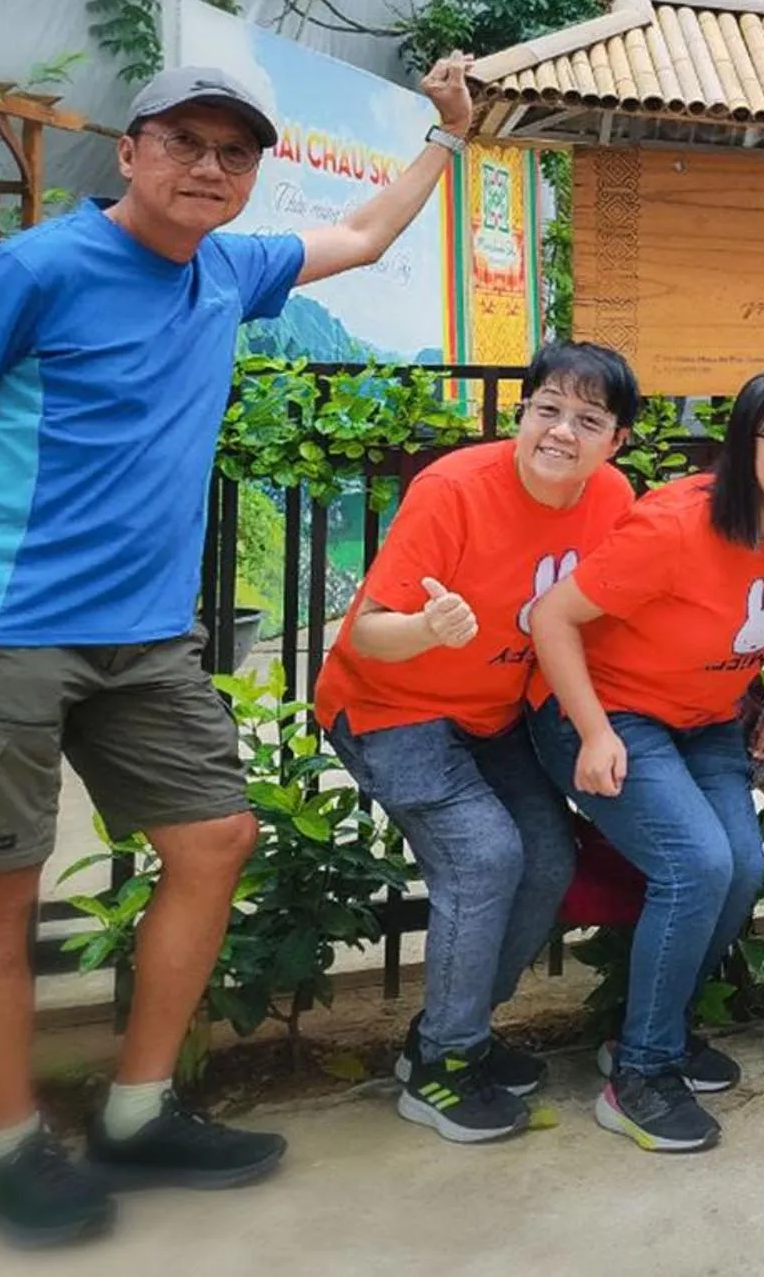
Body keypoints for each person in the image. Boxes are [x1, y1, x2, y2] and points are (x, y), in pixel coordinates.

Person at [0, 56, 477, 1245]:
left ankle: (135, 1109)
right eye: (183, 142)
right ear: (129, 151)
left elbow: (366, 236)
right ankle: (14, 1146)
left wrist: (449, 136)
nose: (209, 167)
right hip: (0, 623)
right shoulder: (31, 269)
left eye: (234, 152)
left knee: (213, 838)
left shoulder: (229, 268)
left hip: (144, 634)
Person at [311, 342, 639, 1143]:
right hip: (392, 709)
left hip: (493, 716)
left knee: (548, 858)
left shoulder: (614, 499)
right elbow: (366, 639)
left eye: (588, 419)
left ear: (616, 440)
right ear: (521, 413)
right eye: (547, 410)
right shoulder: (453, 488)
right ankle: (445, 1066)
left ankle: (448, 1037)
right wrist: (427, 628)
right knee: (485, 857)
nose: (561, 432)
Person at [525, 372, 764, 1153]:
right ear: (744, 445)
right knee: (695, 866)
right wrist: (597, 733)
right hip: (602, 715)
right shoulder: (675, 524)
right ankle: (640, 1073)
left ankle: (648, 1033)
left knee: (740, 867)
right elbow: (553, 618)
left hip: (703, 721)